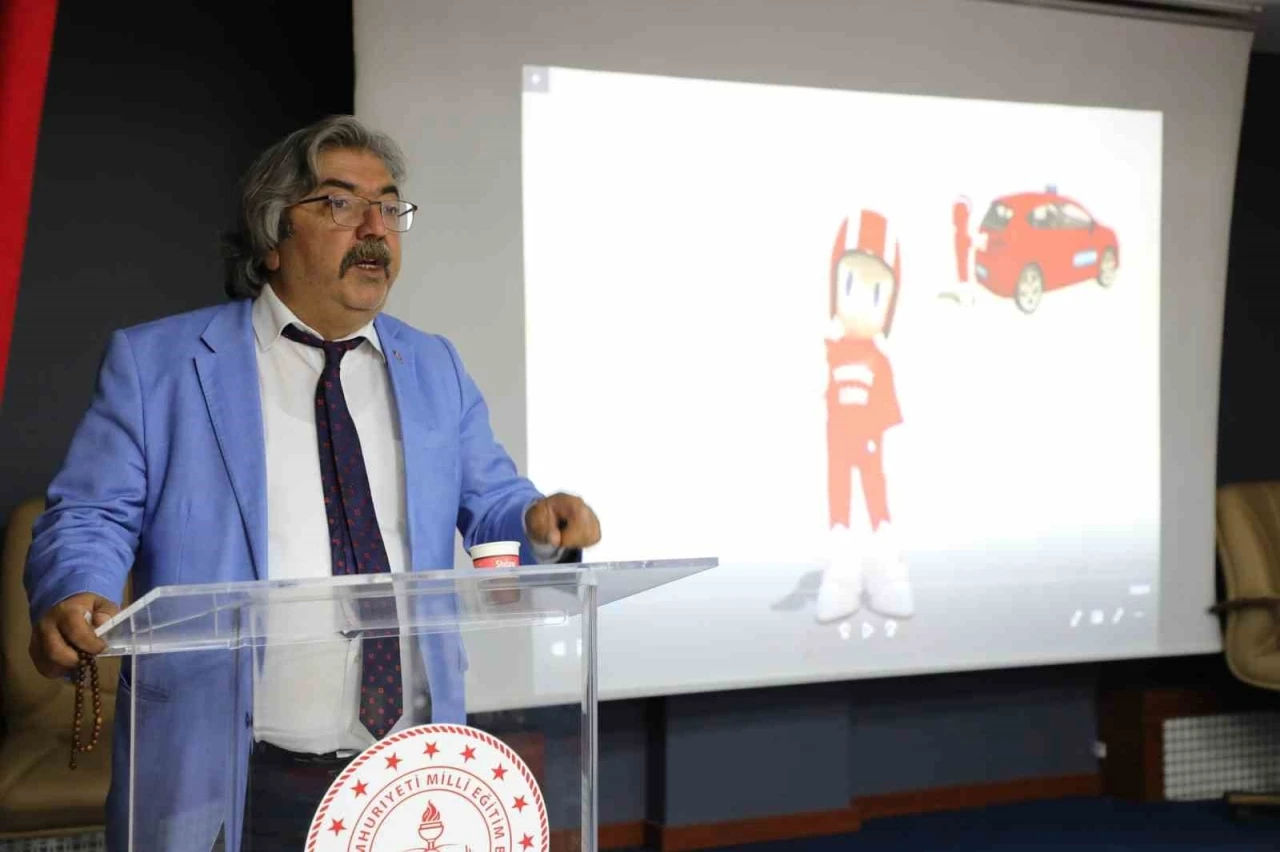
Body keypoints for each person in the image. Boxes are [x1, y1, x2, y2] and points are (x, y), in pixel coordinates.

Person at [23, 115, 601, 852]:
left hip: (409, 768)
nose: (375, 228)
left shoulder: (435, 366)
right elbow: (91, 515)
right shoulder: (159, 364)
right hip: (232, 768)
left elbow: (494, 504)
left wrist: (540, 522)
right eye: (339, 203)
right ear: (272, 236)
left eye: (388, 206)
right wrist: (75, 591)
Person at [819, 209, 914, 624]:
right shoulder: (829, 353)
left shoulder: (880, 362)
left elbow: (889, 410)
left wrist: (882, 437)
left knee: (876, 502)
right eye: (849, 285)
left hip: (871, 447)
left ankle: (887, 573)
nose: (859, 304)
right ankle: (841, 576)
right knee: (840, 507)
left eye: (875, 293)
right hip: (837, 447)